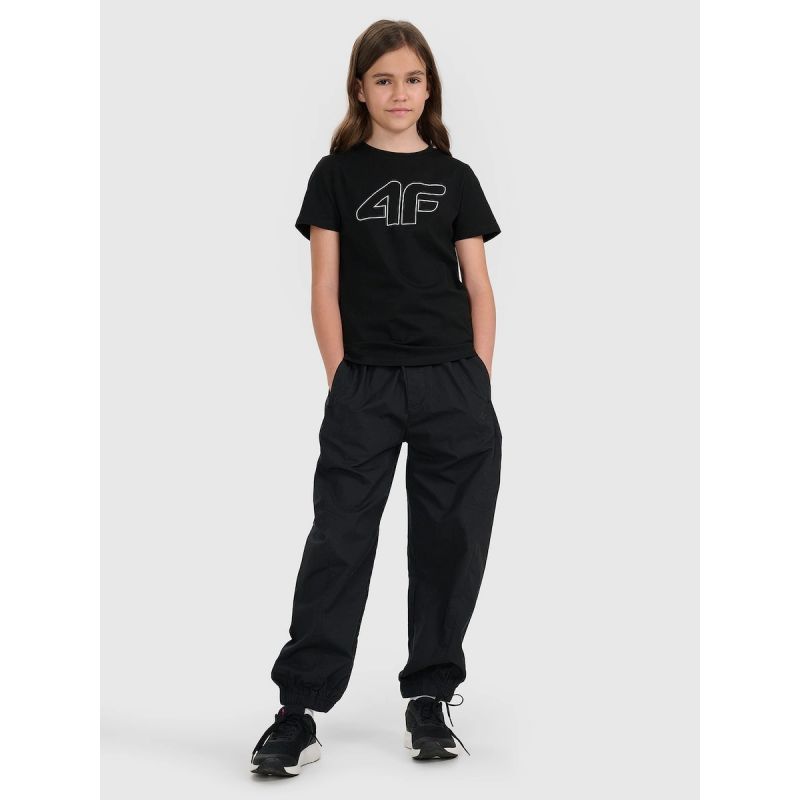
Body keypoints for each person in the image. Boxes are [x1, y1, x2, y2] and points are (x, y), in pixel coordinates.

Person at [251, 19, 502, 777]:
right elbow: (323, 289)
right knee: (340, 538)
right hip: (364, 383)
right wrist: (341, 378)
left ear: (430, 89)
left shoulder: (456, 177)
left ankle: (430, 697)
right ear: (360, 89)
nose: (400, 93)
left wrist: (477, 380)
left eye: (413, 79)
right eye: (384, 79)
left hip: (452, 382)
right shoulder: (335, 176)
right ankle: (298, 710)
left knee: (450, 539)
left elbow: (479, 287)